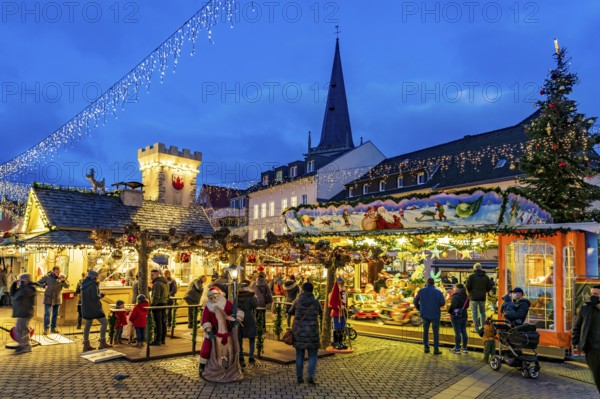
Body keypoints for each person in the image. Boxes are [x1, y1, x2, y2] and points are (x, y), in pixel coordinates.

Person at [199, 286, 244, 378]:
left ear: (219, 295)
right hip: (212, 330)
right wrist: (209, 330)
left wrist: (238, 319)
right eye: (211, 297)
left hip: (226, 330)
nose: (214, 299)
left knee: (234, 345)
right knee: (207, 347)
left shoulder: (226, 303)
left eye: (215, 296)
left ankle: (234, 364)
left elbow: (237, 310)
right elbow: (205, 320)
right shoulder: (208, 307)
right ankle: (202, 365)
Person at [289, 282, 322, 384]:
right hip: (312, 333)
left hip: (299, 333)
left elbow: (290, 311)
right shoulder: (315, 302)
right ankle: (310, 376)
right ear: (312, 290)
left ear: (302, 290)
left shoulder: (297, 301)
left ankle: (299, 377)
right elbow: (320, 312)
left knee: (299, 355)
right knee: (313, 355)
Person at [572, 285, 600, 394]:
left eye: (596, 294)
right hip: (592, 350)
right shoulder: (586, 308)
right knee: (598, 377)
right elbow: (577, 326)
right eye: (592, 294)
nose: (593, 296)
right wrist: (575, 342)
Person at [81, 270, 112, 351]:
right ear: (94, 277)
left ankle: (86, 344)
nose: (98, 278)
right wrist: (102, 295)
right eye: (97, 276)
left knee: (88, 325)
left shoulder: (84, 284)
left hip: (86, 308)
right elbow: (95, 297)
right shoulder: (93, 285)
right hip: (94, 308)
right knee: (104, 322)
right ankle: (102, 342)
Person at [414, 277, 445, 354]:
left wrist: (419, 308)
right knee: (436, 332)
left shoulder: (421, 291)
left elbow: (415, 301)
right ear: (434, 283)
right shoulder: (438, 292)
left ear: (426, 283)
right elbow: (442, 303)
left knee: (425, 331)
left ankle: (426, 348)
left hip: (424, 313)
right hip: (435, 314)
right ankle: (436, 349)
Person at [37, 266, 70, 334]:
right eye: (56, 272)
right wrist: (43, 286)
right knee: (47, 314)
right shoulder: (47, 277)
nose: (58, 273)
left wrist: (63, 280)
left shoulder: (61, 277)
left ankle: (53, 328)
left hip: (57, 299)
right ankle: (46, 329)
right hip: (48, 298)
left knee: (55, 314)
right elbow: (38, 283)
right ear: (53, 271)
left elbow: (67, 286)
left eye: (59, 272)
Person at [10, 273, 36, 354]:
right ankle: (22, 344)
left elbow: (26, 294)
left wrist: (25, 283)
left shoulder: (30, 289)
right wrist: (14, 283)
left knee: (23, 330)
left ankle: (26, 346)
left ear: (26, 280)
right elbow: (12, 293)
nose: (20, 282)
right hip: (21, 312)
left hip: (25, 312)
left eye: (21, 280)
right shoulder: (21, 288)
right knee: (18, 330)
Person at [466, 263, 493, 332]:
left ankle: (476, 328)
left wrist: (469, 292)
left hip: (473, 297)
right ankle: (483, 327)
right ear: (481, 268)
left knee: (474, 312)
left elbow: (467, 286)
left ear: (474, 268)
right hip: (482, 296)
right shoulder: (486, 277)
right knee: (482, 312)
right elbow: (489, 287)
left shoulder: (471, 276)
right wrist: (484, 291)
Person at [237, 279, 257, 367]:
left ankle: (241, 357)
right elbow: (255, 305)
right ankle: (251, 356)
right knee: (251, 338)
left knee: (239, 338)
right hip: (249, 317)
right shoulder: (250, 296)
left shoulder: (236, 296)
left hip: (240, 319)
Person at [448, 283, 469, 354]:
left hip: (456, 314)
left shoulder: (456, 295)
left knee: (457, 332)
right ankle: (465, 348)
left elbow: (453, 305)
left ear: (457, 288)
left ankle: (457, 349)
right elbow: (467, 305)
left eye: (454, 287)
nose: (454, 289)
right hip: (464, 314)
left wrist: (449, 311)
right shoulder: (466, 295)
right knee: (463, 331)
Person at [149, 269, 169, 346]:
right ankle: (163, 339)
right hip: (164, 303)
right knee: (163, 322)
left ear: (157, 275)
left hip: (158, 305)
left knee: (158, 323)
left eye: (152, 275)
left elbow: (156, 296)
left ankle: (157, 340)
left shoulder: (157, 283)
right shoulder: (165, 282)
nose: (151, 277)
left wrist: (152, 306)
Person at [328, 277, 348, 350]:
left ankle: (340, 341)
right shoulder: (333, 293)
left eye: (342, 285)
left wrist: (345, 309)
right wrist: (337, 308)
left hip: (343, 312)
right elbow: (331, 303)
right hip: (336, 312)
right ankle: (336, 342)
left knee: (342, 328)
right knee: (337, 328)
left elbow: (345, 302)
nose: (341, 287)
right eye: (340, 285)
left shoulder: (344, 292)